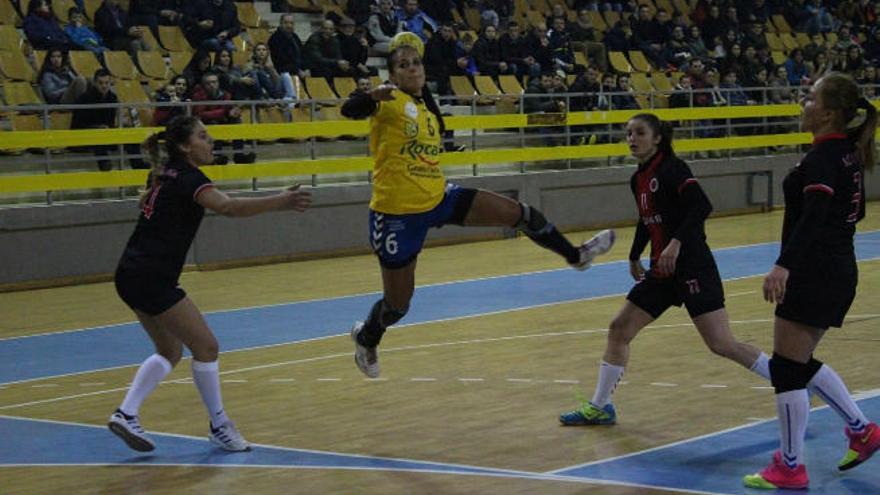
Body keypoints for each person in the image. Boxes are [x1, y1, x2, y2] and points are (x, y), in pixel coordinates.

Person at [340, 40, 614, 379]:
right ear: (393, 74)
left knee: (520, 214)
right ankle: (366, 338)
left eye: (417, 63)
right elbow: (349, 109)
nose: (413, 68)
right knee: (397, 307)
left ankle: (576, 256)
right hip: (397, 215)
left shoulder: (425, 107)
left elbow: (433, 124)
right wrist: (371, 97)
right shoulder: (388, 100)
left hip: (439, 198)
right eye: (404, 64)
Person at [107, 115, 311, 453]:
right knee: (207, 347)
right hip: (152, 276)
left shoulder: (163, 173)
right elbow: (228, 207)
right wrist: (281, 201)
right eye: (203, 136)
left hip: (129, 273)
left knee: (170, 351)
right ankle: (219, 424)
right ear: (186, 146)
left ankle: (126, 413)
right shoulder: (188, 179)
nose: (211, 141)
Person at [559, 113, 773, 426]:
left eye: (639, 133)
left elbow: (701, 206)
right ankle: (601, 406)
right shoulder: (638, 178)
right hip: (662, 271)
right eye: (628, 133)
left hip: (692, 265)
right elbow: (648, 218)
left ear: (657, 138)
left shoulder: (674, 169)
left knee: (722, 344)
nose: (632, 139)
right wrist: (634, 255)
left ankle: (789, 380)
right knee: (619, 329)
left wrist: (675, 243)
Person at [743, 73, 880, 490]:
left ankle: (790, 465)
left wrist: (784, 265)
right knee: (795, 363)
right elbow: (852, 215)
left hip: (816, 272)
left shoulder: (824, 158)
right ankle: (861, 430)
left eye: (810, 98)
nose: (803, 103)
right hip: (836, 269)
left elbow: (815, 215)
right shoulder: (845, 154)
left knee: (786, 369)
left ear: (828, 112)